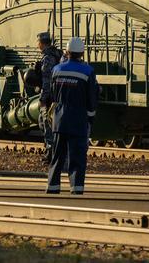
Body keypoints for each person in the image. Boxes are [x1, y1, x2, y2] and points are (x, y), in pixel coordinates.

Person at [46, 36, 98, 196]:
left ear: (67, 52)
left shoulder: (57, 70)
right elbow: (91, 99)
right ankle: (76, 188)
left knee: (57, 156)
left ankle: (53, 187)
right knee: (77, 157)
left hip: (59, 120)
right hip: (78, 120)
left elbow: (52, 95)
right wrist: (90, 118)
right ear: (82, 53)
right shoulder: (88, 71)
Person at [37, 31, 62, 159]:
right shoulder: (57, 54)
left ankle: (51, 153)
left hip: (49, 97)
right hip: (58, 95)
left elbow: (46, 81)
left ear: (41, 43)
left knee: (45, 123)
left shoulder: (47, 58)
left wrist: (43, 98)